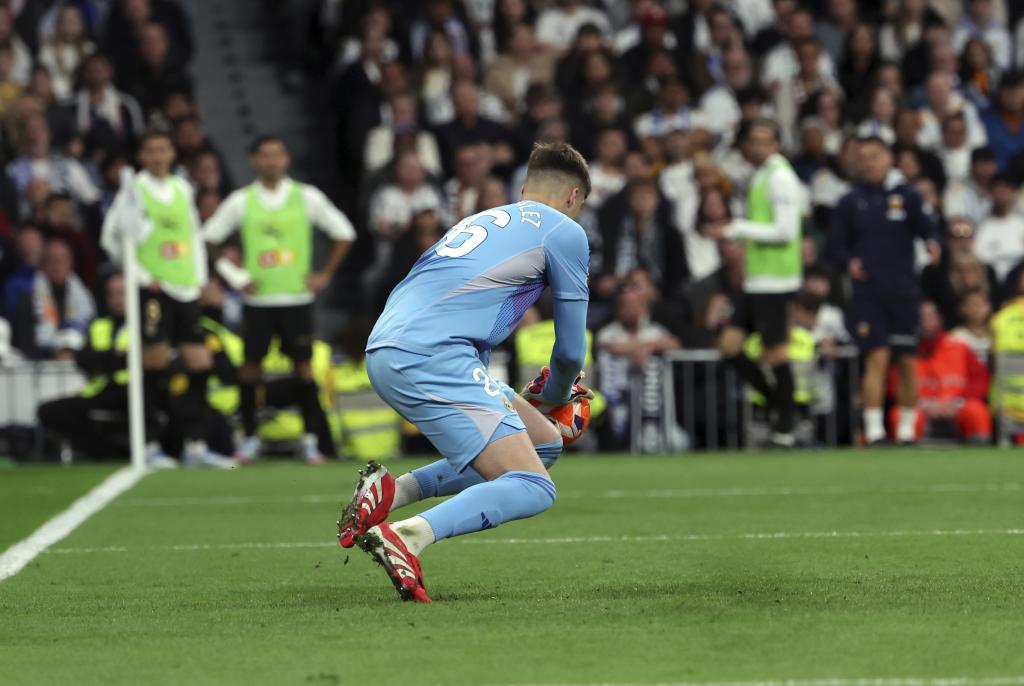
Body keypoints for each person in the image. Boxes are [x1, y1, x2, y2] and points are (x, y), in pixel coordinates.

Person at [337, 142, 593, 603]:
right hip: (433, 355)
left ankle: (391, 492)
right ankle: (408, 536)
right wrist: (557, 396)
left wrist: (536, 407)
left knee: (543, 443)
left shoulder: (480, 220)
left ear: (524, 189)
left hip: (390, 346)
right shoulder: (565, 231)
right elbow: (571, 352)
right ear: (574, 197)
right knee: (535, 487)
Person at [202, 135, 356, 464]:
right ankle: (249, 438)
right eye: (265, 155)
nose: (272, 161)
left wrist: (324, 274)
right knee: (249, 370)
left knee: (304, 368)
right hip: (258, 302)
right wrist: (235, 276)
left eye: (277, 154)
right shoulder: (242, 201)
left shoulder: (306, 197)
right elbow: (209, 238)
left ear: (286, 159)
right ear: (254, 161)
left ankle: (311, 439)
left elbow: (344, 232)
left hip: (296, 299)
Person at [100, 129, 230, 468]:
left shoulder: (183, 188)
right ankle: (150, 442)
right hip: (154, 290)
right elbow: (111, 237)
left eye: (163, 149)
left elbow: (192, 234)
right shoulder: (134, 189)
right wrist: (142, 277)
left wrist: (200, 278)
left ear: (173, 153)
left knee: (200, 363)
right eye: (151, 150)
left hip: (185, 287)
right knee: (154, 364)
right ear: (142, 156)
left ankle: (194, 444)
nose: (158, 156)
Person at [828, 136, 941, 445]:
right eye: (863, 157)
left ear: (889, 158)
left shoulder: (908, 196)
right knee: (876, 357)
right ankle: (875, 431)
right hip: (868, 293)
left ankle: (906, 431)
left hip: (903, 292)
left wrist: (934, 243)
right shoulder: (850, 200)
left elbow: (929, 228)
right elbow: (835, 245)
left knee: (906, 361)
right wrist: (848, 262)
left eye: (874, 156)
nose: (869, 163)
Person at [711, 118, 805, 448]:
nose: (759, 146)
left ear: (777, 144)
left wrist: (738, 228)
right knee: (729, 347)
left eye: (766, 140)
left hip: (776, 281)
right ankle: (782, 405)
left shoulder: (780, 178)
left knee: (776, 354)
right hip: (757, 281)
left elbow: (785, 231)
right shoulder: (763, 175)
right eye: (754, 140)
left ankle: (785, 428)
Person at [895, 301, 992, 443]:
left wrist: (957, 402)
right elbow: (894, 383)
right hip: (919, 405)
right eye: (921, 317)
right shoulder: (905, 351)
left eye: (931, 317)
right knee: (898, 414)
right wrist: (923, 403)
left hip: (956, 405)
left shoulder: (958, 346)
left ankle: (980, 452)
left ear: (940, 319)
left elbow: (980, 379)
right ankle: (904, 450)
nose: (926, 322)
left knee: (977, 411)